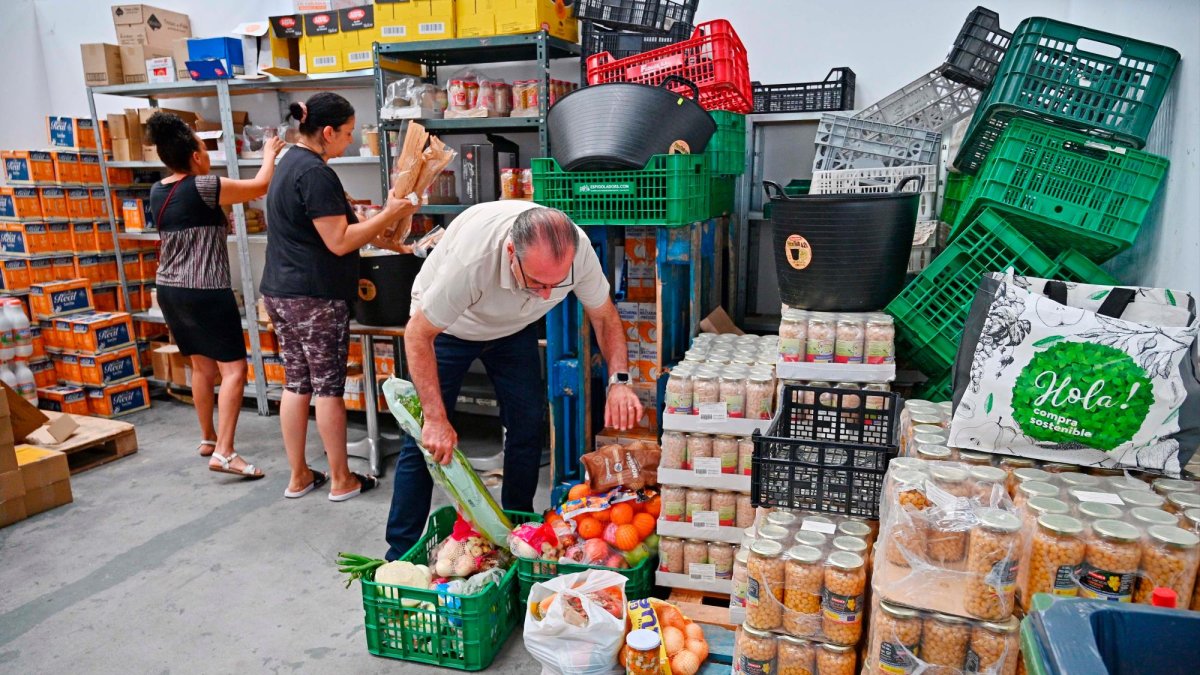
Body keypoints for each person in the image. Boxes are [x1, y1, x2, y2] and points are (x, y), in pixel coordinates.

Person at [385, 202, 643, 560]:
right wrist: (435, 419)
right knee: (426, 442)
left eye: (556, 285)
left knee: (526, 428)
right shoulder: (472, 262)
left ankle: (517, 535)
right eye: (537, 281)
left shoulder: (577, 250)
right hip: (450, 329)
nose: (544, 294)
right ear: (510, 252)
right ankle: (399, 553)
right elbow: (417, 334)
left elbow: (603, 317)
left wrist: (619, 380)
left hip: (512, 330)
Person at [261, 93, 415, 501]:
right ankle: (342, 480)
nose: (349, 141)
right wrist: (390, 214)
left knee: (297, 384)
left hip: (280, 291)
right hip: (314, 296)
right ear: (326, 133)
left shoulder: (287, 164)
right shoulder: (314, 173)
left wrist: (383, 229)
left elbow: (336, 225)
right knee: (329, 387)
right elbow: (340, 241)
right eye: (346, 134)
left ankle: (298, 476)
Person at [146, 112, 285, 480]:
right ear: (195, 157)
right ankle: (224, 452)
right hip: (205, 291)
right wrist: (269, 151)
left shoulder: (158, 191)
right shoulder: (204, 186)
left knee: (202, 367)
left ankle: (208, 438)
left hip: (170, 290)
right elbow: (260, 186)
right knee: (235, 370)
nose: (207, 155)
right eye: (204, 149)